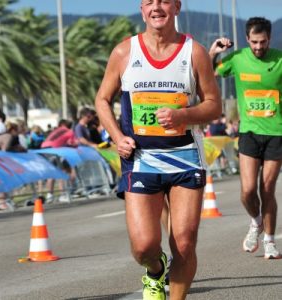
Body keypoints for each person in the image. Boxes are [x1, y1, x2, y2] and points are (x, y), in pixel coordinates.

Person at [95, 1, 222, 299]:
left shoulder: (195, 52)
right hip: (141, 160)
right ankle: (155, 270)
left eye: (164, 0)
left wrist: (183, 116)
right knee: (143, 246)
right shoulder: (124, 52)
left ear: (176, 7)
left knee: (184, 243)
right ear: (141, 9)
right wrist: (116, 136)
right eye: (149, 1)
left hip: (185, 157)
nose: (157, 7)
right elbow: (102, 99)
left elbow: (214, 105)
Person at [209, 17, 282, 259]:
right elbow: (209, 74)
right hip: (249, 133)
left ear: (269, 39)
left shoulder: (279, 60)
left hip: (276, 133)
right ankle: (256, 221)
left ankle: (270, 241)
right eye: (254, 42)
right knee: (248, 191)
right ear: (247, 39)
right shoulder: (238, 59)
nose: (258, 47)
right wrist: (213, 52)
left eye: (262, 42)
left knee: (267, 189)